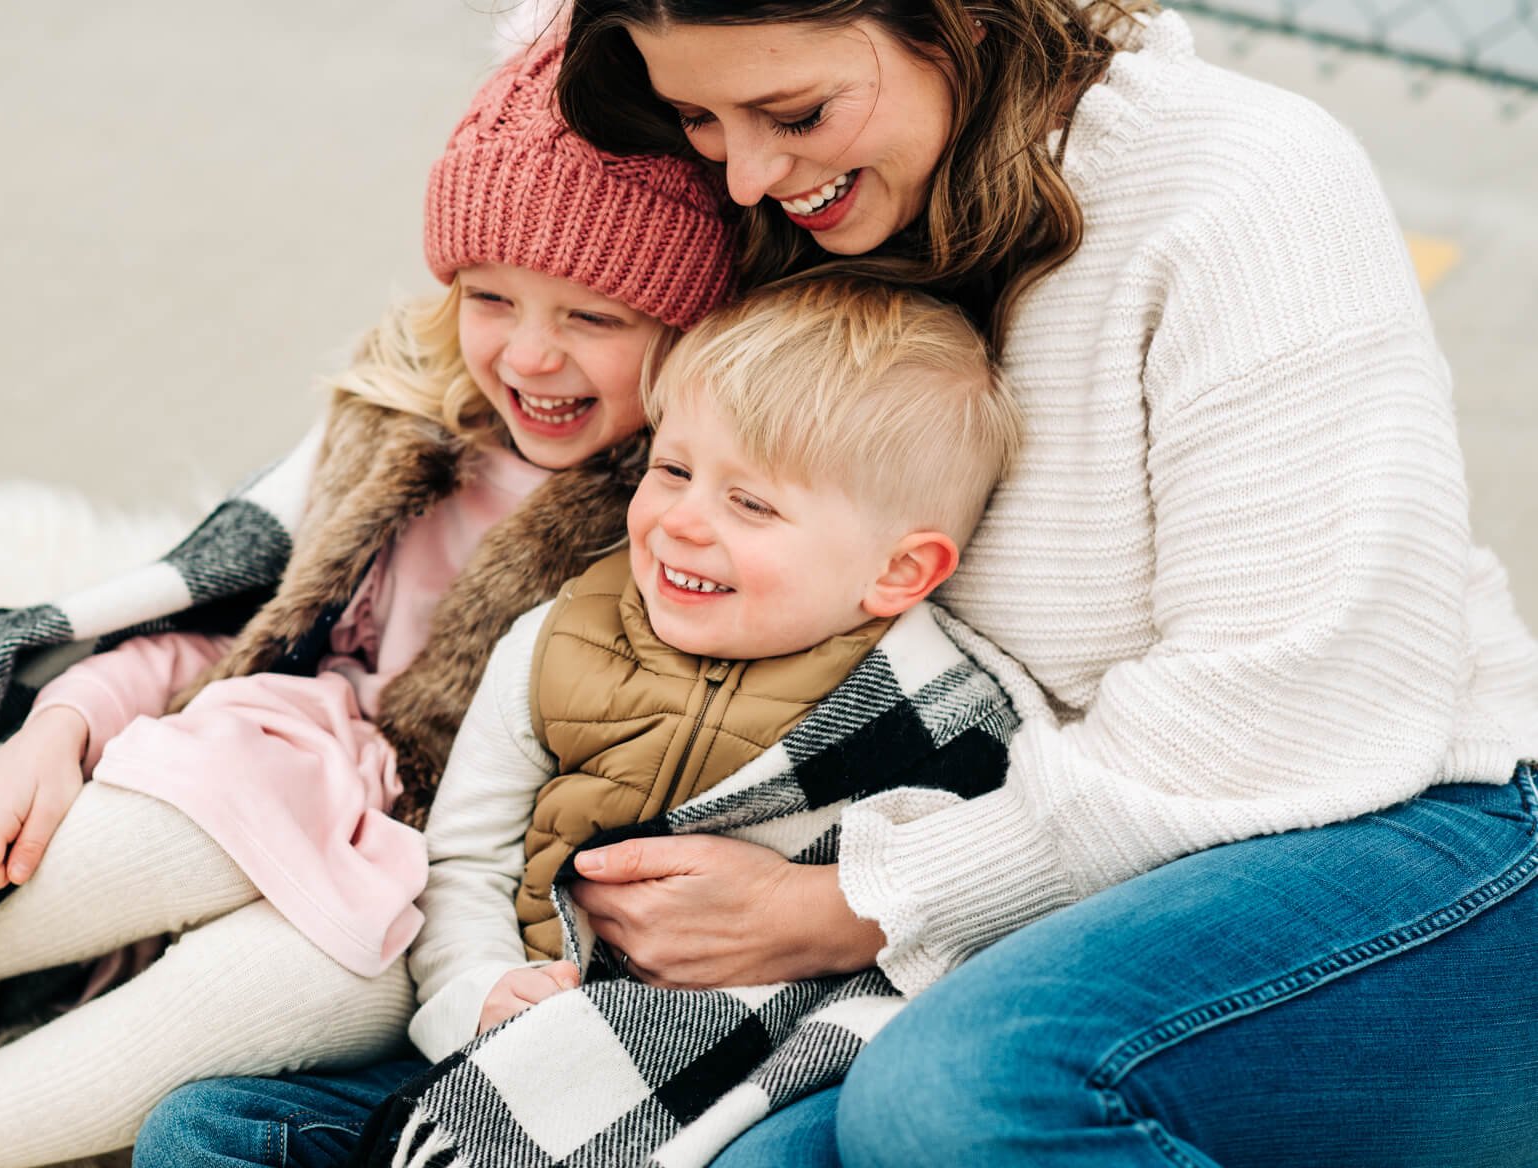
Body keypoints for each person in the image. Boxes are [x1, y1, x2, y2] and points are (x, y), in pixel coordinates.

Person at [142, 1, 1538, 1165]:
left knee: (954, 1102)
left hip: (1385, 827)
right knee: (230, 1132)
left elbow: (1299, 708)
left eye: (791, 116)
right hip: (921, 859)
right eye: (701, 122)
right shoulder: (787, 159)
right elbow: (449, 390)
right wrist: (150, 649)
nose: (743, 177)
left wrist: (854, 903)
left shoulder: (1239, 190)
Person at [0, 37, 733, 1168]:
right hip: (250, 782)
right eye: (490, 297)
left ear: (687, 330)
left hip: (434, 894)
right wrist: (61, 724)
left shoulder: (682, 520)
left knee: (311, 974)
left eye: (594, 318)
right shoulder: (408, 428)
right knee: (251, 760)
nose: (531, 353)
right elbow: (216, 630)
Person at [136, 276, 1025, 1168]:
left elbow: (956, 924)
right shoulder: (556, 638)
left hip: (739, 1075)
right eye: (673, 470)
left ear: (899, 573)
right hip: (515, 1051)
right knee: (205, 1130)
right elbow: (466, 860)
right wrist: (481, 997)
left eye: (750, 504)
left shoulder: (944, 712)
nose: (681, 521)